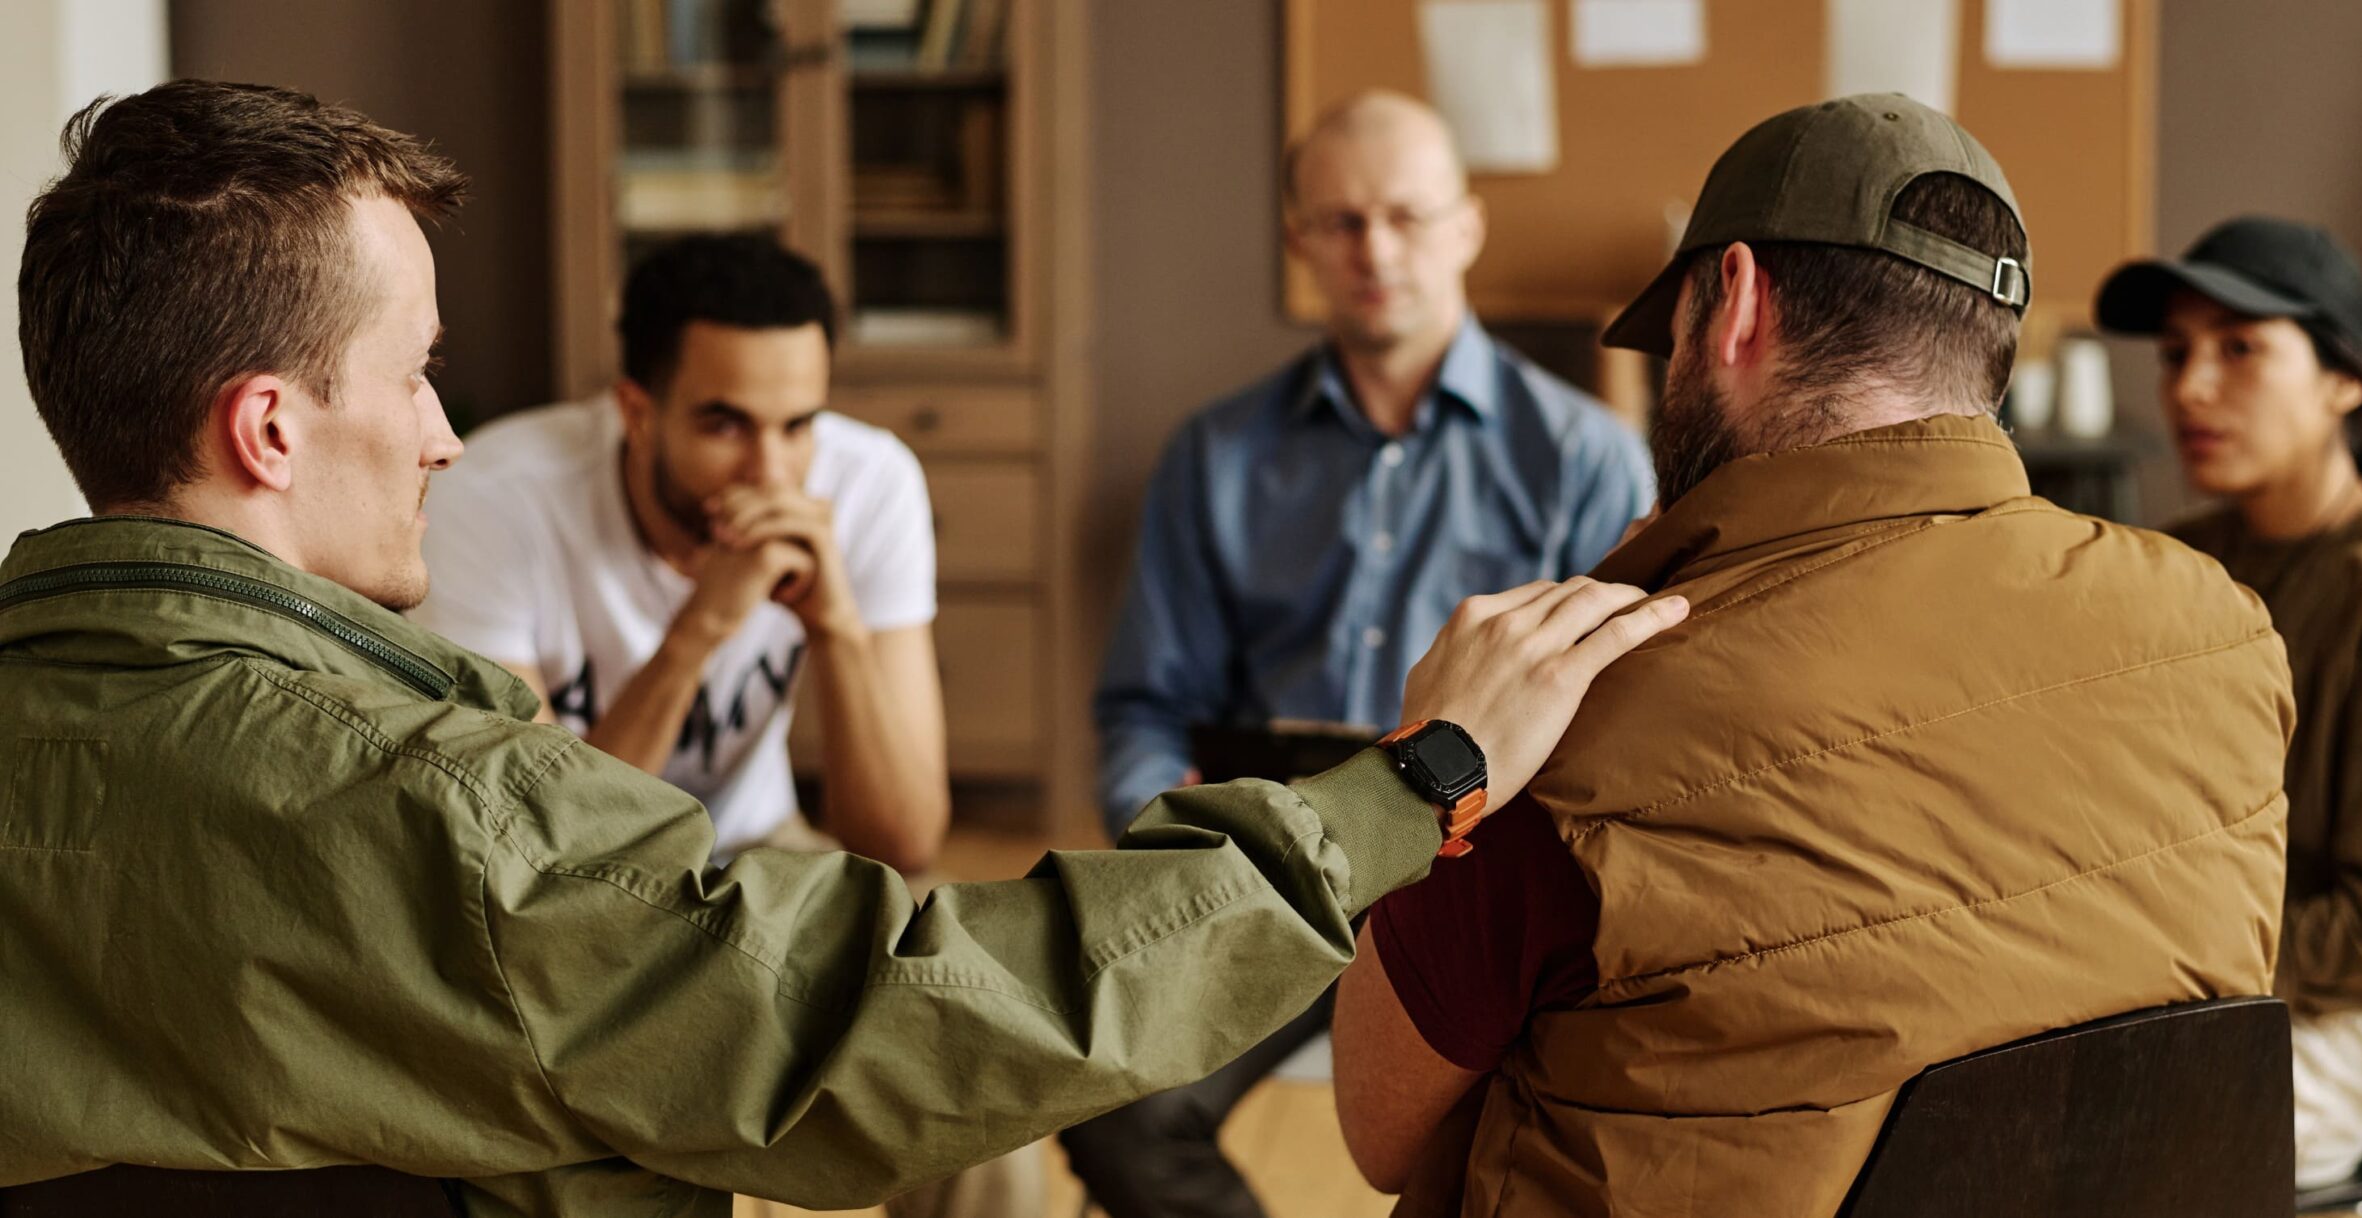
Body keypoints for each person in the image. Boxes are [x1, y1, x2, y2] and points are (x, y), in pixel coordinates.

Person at [0, 80, 1686, 1217]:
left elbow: (885, 839)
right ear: (270, 428)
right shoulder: (431, 801)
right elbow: (908, 998)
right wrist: (1420, 782)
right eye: (416, 371)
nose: (443, 428)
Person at [1327, 94, 2299, 1217]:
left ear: (1734, 302)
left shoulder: (1571, 724)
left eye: (1677, 332)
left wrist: (1432, 763)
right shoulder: (2225, 633)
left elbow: (1378, 1127)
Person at [1071, 90, 1652, 1217]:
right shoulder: (1215, 456)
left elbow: (1618, 737)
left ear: (1467, 226)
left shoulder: (1587, 459)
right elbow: (1144, 703)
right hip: (1265, 880)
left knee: (1513, 1142)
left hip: (1479, 884)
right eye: (1339, 223)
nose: (1374, 249)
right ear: (1299, 244)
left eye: (1405, 215)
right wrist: (1167, 834)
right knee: (1112, 1108)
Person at [2094, 217, 2362, 1187]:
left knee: (2071, 1141)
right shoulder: (2185, 561)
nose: (2189, 387)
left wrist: (2152, 949)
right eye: (2175, 354)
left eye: (2239, 348)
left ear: (2342, 381)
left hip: (2331, 1017)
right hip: (2183, 975)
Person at [413, 235, 947, 870]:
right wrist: (700, 629)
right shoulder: (491, 500)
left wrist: (837, 630)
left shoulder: (871, 481)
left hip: (759, 846)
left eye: (798, 425)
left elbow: (906, 844)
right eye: (725, 425)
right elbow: (552, 841)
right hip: (571, 882)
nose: (771, 474)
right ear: (637, 414)